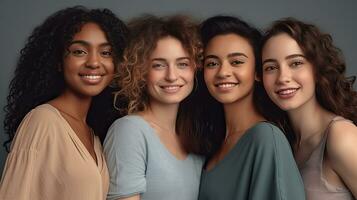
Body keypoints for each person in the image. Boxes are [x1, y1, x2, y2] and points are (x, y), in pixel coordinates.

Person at [0, 6, 128, 200]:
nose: (94, 62)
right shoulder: (42, 121)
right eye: (79, 51)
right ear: (58, 61)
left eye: (106, 53)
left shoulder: (93, 134)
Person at [196, 15, 305, 200]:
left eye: (237, 61)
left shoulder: (265, 138)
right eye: (212, 63)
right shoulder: (213, 140)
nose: (223, 72)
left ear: (257, 72)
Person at [103, 15, 204, 200]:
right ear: (140, 71)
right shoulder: (129, 130)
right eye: (158, 65)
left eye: (182, 64)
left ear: (195, 69)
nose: (172, 76)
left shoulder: (193, 136)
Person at [260, 18, 357, 199]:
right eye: (271, 67)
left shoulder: (341, 135)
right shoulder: (282, 142)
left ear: (317, 68)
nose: (283, 77)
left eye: (296, 63)